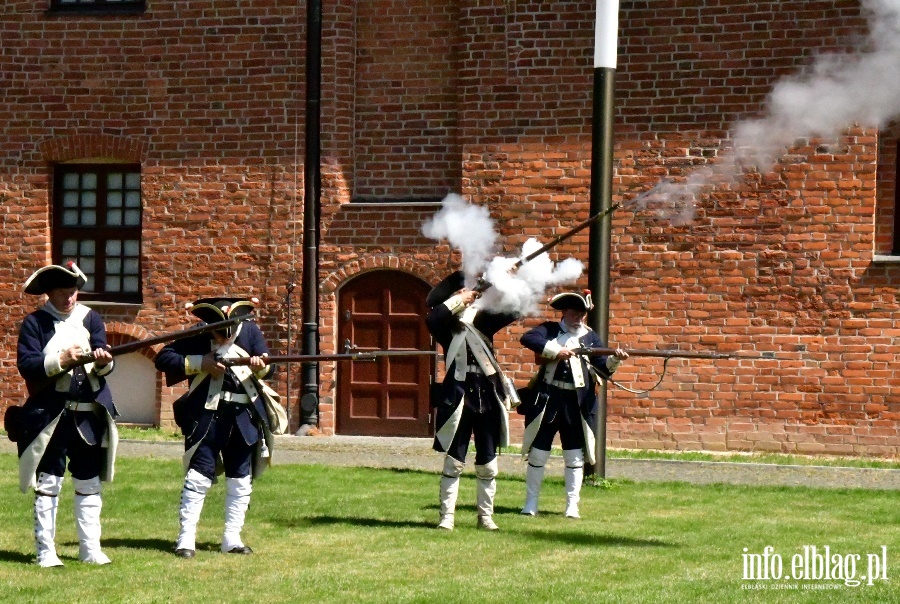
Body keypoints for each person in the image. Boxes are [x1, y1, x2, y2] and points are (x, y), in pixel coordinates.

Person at [13, 262, 118, 567]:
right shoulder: (35, 323)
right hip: (51, 416)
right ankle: (46, 552)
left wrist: (101, 361)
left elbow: (106, 363)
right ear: (49, 293)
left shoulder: (91, 318)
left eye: (72, 292)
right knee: (49, 484)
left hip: (87, 414)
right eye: (62, 292)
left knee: (89, 482)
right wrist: (61, 359)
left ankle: (90, 549)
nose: (69, 298)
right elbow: (27, 365)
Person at [154, 297, 276, 558]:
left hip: (243, 416)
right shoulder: (199, 334)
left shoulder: (250, 331)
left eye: (226, 332)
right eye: (218, 332)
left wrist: (260, 366)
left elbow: (270, 367)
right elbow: (164, 357)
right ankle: (186, 539)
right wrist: (201, 363)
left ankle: (232, 538)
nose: (222, 338)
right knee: (198, 477)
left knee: (241, 478)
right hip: (207, 416)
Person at [518, 290, 627, 519]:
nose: (578, 318)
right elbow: (528, 338)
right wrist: (556, 351)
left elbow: (603, 369)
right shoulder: (549, 330)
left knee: (574, 457)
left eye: (581, 314)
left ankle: (572, 506)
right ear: (564, 312)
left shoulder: (590, 337)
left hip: (576, 404)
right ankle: (530, 503)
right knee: (538, 454)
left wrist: (615, 358)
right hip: (549, 400)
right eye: (574, 313)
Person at [426, 271, 520, 531]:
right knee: (454, 461)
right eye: (461, 293)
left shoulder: (484, 320)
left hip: (487, 396)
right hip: (458, 397)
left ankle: (486, 517)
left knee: (488, 462)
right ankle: (447, 517)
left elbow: (514, 310)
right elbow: (435, 317)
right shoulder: (445, 325)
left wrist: (506, 280)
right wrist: (462, 299)